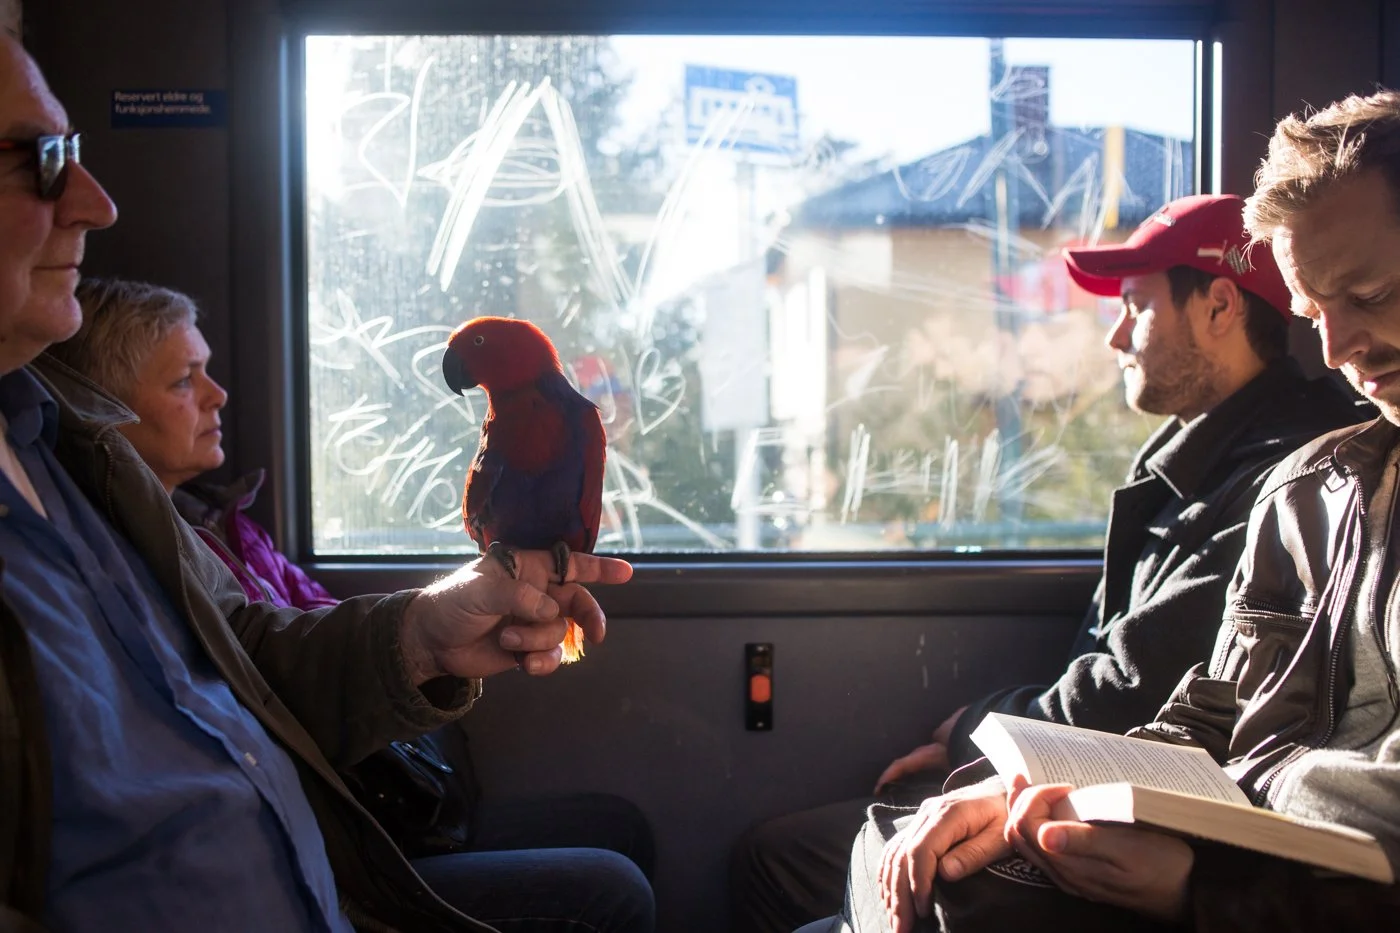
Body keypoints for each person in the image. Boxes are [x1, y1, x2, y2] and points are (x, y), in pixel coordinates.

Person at [0, 34, 643, 933]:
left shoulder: (74, 455)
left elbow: (244, 655)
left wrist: (422, 635)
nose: (96, 202)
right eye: (40, 159)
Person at [823, 88, 1400, 933]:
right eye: (1315, 313)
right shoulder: (1312, 491)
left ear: (1221, 306)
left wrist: (1202, 892)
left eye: (1372, 294)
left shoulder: (1265, 470)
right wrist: (1030, 784)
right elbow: (1211, 709)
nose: (1338, 348)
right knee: (909, 857)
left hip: (1265, 888)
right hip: (1236, 843)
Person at [47, 275, 658, 929]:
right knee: (613, 889)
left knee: (622, 827)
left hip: (395, 792)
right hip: (344, 825)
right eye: (182, 380)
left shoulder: (231, 530)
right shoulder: (112, 558)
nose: (218, 394)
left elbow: (273, 657)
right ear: (105, 410)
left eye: (209, 371)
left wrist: (421, 641)